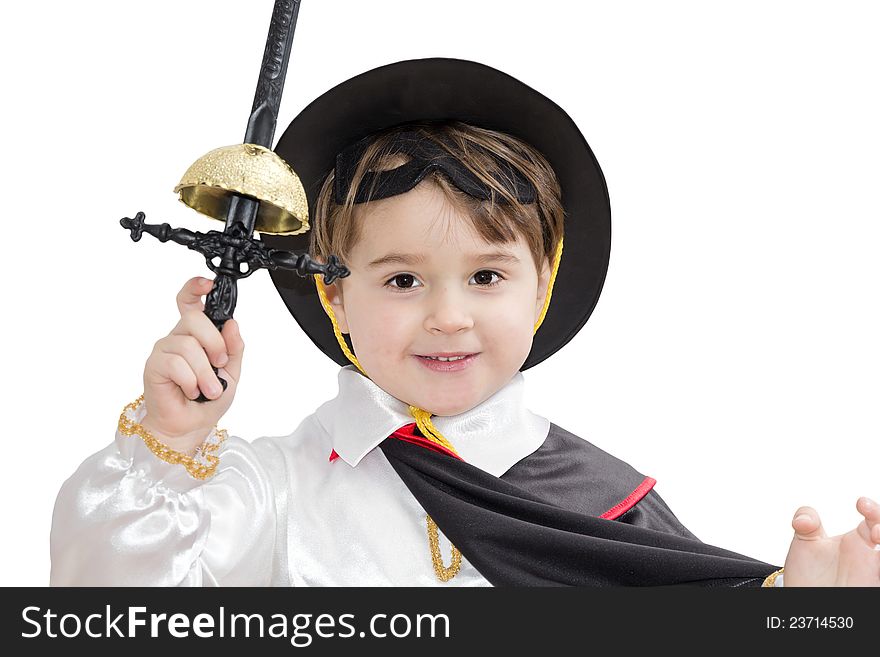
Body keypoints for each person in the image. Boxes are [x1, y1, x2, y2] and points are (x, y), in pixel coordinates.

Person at [50, 59, 880, 587]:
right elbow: (118, 606)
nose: (448, 316)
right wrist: (167, 445)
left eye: (486, 275)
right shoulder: (272, 488)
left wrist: (798, 615)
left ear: (542, 287)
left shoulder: (609, 506)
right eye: (403, 278)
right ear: (333, 294)